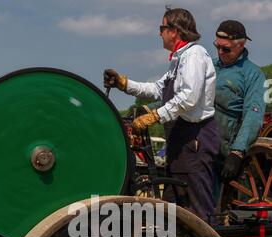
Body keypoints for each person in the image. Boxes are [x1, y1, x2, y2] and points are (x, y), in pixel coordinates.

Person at [104, 7, 220, 224]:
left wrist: (154, 116)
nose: (160, 33)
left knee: (198, 211)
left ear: (174, 30)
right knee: (173, 208)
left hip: (195, 139)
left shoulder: (194, 55)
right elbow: (158, 89)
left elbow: (189, 97)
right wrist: (124, 84)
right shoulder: (179, 58)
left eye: (162, 28)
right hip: (183, 141)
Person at [213, 20, 266, 184]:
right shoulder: (207, 66)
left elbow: (253, 115)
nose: (220, 52)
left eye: (226, 49)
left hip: (225, 154)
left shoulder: (254, 75)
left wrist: (237, 152)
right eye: (217, 47)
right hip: (200, 147)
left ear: (241, 46)